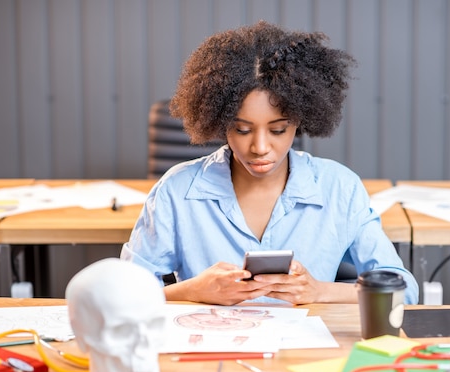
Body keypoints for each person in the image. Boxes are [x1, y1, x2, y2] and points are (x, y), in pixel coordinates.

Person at [120, 21, 418, 305]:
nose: (260, 148)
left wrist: (319, 291)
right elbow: (123, 294)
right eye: (242, 129)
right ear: (221, 122)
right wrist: (193, 290)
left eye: (277, 130)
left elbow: (404, 291)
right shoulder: (176, 191)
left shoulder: (339, 187)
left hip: (307, 353)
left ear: (299, 120)